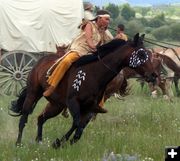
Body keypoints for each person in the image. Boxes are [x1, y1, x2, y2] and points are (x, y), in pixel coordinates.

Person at [43, 10, 113, 112]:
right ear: (99, 18)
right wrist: (94, 48)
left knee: (102, 73)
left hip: (92, 54)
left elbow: (110, 41)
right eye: (106, 19)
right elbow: (89, 40)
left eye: (109, 20)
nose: (108, 22)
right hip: (80, 50)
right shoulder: (89, 25)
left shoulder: (103, 31)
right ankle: (52, 86)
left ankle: (100, 102)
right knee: (67, 60)